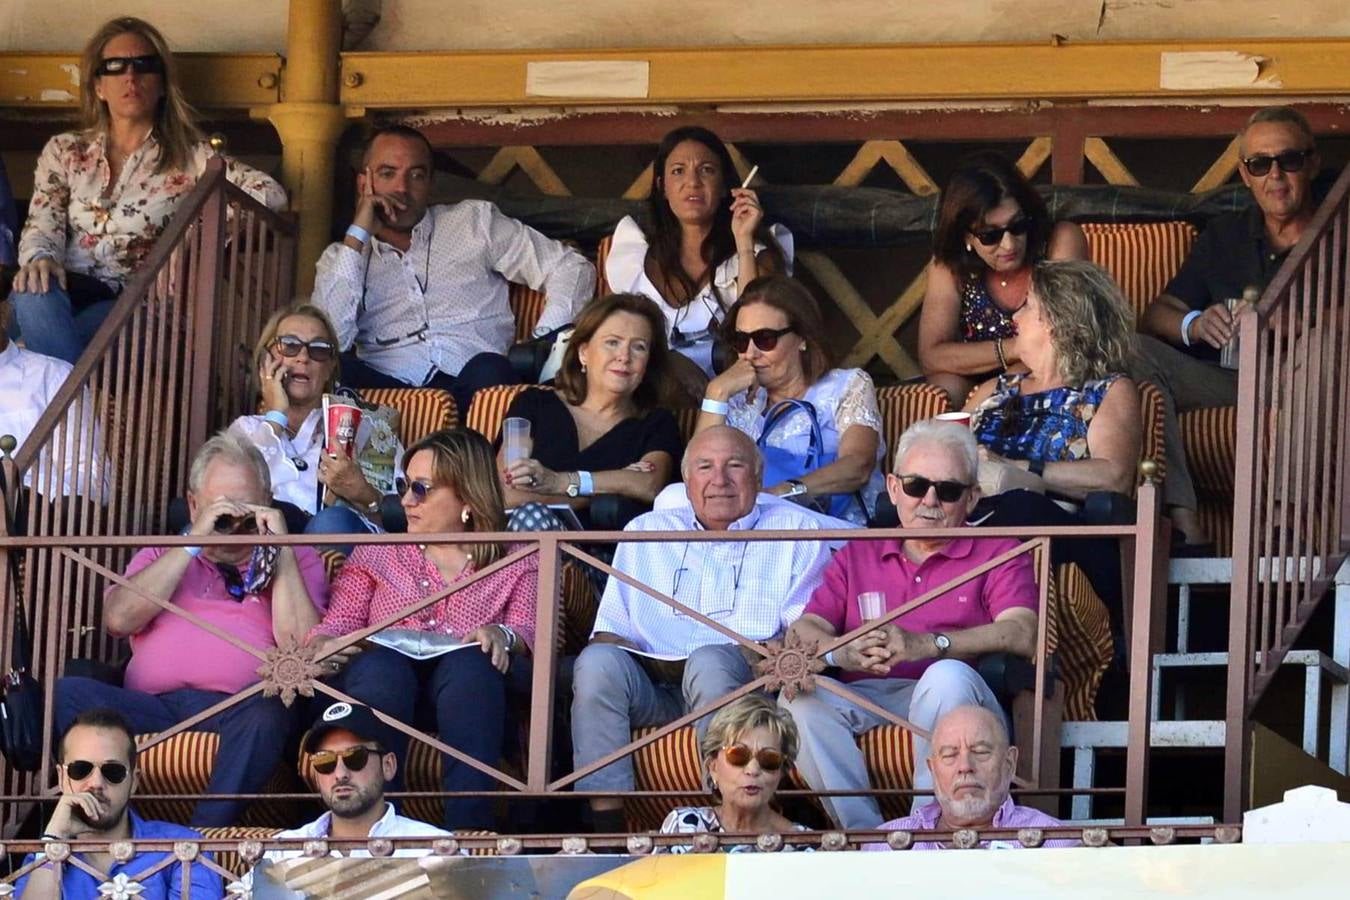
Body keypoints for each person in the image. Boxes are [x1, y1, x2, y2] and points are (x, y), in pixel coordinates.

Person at [53, 433, 328, 827]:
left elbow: (302, 651)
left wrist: (279, 545)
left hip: (238, 710)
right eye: (222, 511)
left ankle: (202, 838)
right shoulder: (162, 553)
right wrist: (192, 543)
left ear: (267, 502)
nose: (234, 525)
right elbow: (118, 620)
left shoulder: (297, 557)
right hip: (151, 707)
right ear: (195, 503)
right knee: (68, 694)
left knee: (270, 707)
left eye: (247, 509)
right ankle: (89, 823)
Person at [571, 425, 832, 833]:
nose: (719, 480)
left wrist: (761, 653)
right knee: (597, 661)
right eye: (705, 467)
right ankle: (605, 828)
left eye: (735, 466)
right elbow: (609, 631)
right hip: (656, 687)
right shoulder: (646, 532)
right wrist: (617, 653)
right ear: (687, 480)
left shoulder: (797, 533)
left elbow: (803, 632)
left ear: (759, 479)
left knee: (709, 659)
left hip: (746, 686)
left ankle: (719, 821)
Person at [780, 420, 1038, 830]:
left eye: (948, 490)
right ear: (894, 488)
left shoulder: (999, 548)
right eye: (917, 486)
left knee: (945, 675)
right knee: (798, 702)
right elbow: (805, 628)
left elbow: (1023, 632)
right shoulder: (858, 552)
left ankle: (926, 827)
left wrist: (929, 645)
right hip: (867, 691)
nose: (930, 501)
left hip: (959, 697)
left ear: (971, 498)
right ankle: (865, 836)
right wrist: (840, 650)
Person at [10, 16, 285, 364]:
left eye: (144, 65)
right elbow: (42, 222)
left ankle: (38, 377)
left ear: (162, 84)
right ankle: (70, 402)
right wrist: (40, 259)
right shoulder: (65, 151)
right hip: (67, 291)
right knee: (34, 291)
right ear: (97, 85)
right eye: (115, 66)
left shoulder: (189, 157)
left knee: (25, 352)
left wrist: (190, 236)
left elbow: (269, 192)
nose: (130, 76)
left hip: (135, 308)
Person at [304, 428, 538, 829]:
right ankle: (380, 834)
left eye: (421, 489)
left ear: (467, 498)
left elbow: (530, 632)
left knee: (470, 665)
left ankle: (468, 836)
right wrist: (325, 642)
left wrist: (503, 635)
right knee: (381, 668)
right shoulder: (378, 552)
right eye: (402, 486)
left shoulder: (517, 558)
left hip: (470, 697)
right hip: (387, 690)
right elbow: (340, 622)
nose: (406, 501)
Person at [1132, 106, 1321, 549]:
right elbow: (1157, 312)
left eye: (1288, 160)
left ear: (1312, 163)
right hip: (1231, 379)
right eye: (1260, 164)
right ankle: (1183, 522)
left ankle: (1284, 524)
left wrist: (1303, 320)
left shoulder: (1339, 227)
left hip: (1314, 380)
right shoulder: (1225, 236)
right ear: (1244, 172)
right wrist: (1195, 325)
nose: (1275, 175)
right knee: (1130, 348)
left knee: (1325, 342)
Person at [312, 124, 596, 416]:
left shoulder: (474, 223)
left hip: (475, 384)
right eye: (387, 173)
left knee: (490, 367)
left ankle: (471, 457)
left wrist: (544, 341)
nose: (401, 188)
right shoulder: (343, 258)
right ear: (364, 184)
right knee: (328, 367)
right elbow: (329, 341)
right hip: (388, 392)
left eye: (416, 175)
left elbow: (571, 268)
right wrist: (357, 235)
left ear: (431, 184)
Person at [964, 259, 1140, 631]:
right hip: (970, 515)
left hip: (1065, 536)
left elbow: (1115, 477)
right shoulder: (991, 392)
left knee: (1020, 506)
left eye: (1028, 305)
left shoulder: (1106, 391)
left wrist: (1019, 471)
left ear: (1058, 322)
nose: (1016, 314)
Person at [604, 126, 790, 399]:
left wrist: (743, 242)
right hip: (648, 398)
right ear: (661, 186)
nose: (693, 182)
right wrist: (670, 362)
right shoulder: (636, 258)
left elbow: (756, 330)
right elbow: (615, 333)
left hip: (736, 399)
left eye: (706, 170)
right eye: (678, 171)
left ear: (726, 185)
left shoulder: (757, 254)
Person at [696, 275, 884, 525]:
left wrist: (783, 493)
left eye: (765, 339)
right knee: (670, 497)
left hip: (825, 526)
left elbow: (858, 465)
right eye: (742, 341)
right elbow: (695, 476)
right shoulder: (735, 400)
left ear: (803, 338)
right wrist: (716, 393)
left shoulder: (846, 386)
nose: (750, 354)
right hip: (749, 525)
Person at [918, 151, 1089, 407]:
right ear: (965, 236)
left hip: (1049, 373)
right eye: (990, 235)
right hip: (976, 377)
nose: (1009, 244)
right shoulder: (949, 266)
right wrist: (1016, 348)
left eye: (1018, 226)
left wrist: (993, 390)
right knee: (944, 386)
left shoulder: (1059, 241)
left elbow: (1062, 338)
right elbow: (932, 355)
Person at [497, 293, 682, 526]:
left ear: (648, 363)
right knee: (531, 516)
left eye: (639, 347)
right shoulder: (534, 404)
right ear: (584, 352)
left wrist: (560, 481)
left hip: (603, 557)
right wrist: (606, 487)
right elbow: (507, 494)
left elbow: (648, 485)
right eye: (612, 342)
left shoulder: (656, 423)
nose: (624, 357)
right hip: (524, 548)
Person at [227, 303, 404, 538]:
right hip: (258, 551)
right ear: (266, 361)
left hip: (339, 553)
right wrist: (276, 415)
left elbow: (412, 515)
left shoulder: (367, 428)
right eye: (289, 345)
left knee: (333, 521)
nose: (303, 357)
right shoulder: (247, 429)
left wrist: (364, 495)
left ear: (330, 367)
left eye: (319, 349)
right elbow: (231, 496)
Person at [13, 709, 223, 899]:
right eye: (80, 770)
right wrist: (54, 840)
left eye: (113, 771)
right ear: (61, 778)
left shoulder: (184, 848)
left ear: (134, 782)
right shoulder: (43, 856)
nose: (96, 783)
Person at [246, 702, 449, 891]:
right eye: (325, 761)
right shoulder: (281, 850)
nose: (340, 774)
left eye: (355, 757)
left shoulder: (434, 849)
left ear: (388, 766)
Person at [862, 705, 1076, 850]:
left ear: (1009, 763)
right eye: (949, 755)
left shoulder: (1057, 844)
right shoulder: (884, 846)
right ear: (933, 770)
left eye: (981, 752)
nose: (965, 766)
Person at [658, 695, 811, 852]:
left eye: (769, 759)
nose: (753, 770)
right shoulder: (683, 827)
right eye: (738, 755)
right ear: (713, 767)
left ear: (781, 773)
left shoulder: (802, 847)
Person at [0, 296, 104, 500]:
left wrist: (28, 498)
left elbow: (92, 479)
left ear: (3, 311)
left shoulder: (53, 376)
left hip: (32, 521)